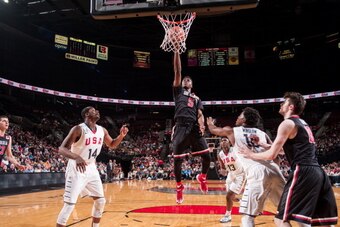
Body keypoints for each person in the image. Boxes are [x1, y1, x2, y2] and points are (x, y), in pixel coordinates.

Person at [238, 92, 338, 227]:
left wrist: (250, 154)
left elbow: (271, 155)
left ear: (290, 107)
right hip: (318, 173)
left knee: (280, 219)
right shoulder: (302, 123)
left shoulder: (287, 123)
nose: (280, 104)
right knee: (318, 221)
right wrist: (263, 144)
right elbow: (283, 150)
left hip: (302, 171)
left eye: (283, 102)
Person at [207, 107, 286, 227]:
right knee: (283, 213)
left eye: (240, 115)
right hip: (275, 170)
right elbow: (277, 156)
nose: (237, 117)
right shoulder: (262, 134)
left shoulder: (233, 131)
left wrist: (210, 124)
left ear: (244, 120)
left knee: (247, 218)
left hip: (256, 171)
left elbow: (214, 130)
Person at [56, 106, 129, 227]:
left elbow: (111, 144)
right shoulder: (78, 129)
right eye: (93, 110)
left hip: (91, 168)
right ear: (86, 114)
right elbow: (62, 149)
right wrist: (76, 157)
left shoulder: (102, 130)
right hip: (76, 168)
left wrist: (121, 136)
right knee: (69, 205)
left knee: (100, 201)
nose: (97, 111)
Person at [172, 52, 211, 204]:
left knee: (207, 156)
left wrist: (202, 124)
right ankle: (179, 187)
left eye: (189, 80)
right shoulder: (178, 93)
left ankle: (202, 177)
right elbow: (177, 71)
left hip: (194, 127)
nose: (186, 79)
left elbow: (200, 114)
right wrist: (176, 51)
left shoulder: (197, 98)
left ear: (192, 84)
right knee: (177, 161)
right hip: (181, 127)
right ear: (182, 83)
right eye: (184, 79)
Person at [217, 137, 245, 223]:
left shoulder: (235, 150)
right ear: (220, 144)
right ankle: (242, 202)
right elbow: (222, 167)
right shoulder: (220, 154)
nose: (224, 142)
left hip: (240, 175)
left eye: (226, 140)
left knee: (228, 196)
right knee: (231, 197)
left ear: (229, 143)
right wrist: (222, 170)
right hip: (230, 175)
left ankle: (228, 216)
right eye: (222, 141)